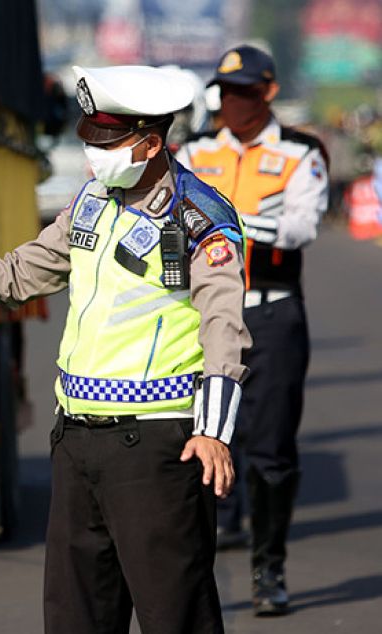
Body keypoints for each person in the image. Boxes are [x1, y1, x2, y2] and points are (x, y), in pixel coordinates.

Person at [0, 65, 249, 634]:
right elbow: (16, 275)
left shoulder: (200, 218)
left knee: (174, 615)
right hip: (76, 442)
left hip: (155, 448)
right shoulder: (91, 202)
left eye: (109, 143)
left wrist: (214, 432)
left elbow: (224, 327)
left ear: (152, 143)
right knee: (75, 618)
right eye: (90, 142)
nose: (93, 157)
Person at [177, 45, 327, 617]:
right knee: (203, 437)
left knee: (271, 448)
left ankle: (270, 568)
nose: (233, 101)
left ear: (267, 91)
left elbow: (299, 226)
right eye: (226, 90)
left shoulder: (301, 152)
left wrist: (223, 224)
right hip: (202, 316)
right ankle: (209, 548)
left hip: (272, 311)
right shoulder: (193, 151)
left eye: (244, 90)